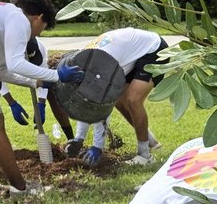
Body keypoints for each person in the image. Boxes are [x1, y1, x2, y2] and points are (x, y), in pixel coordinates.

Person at [0, 0, 84, 198]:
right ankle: (21, 188)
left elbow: (1, 71)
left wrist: (36, 81)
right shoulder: (19, 18)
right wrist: (57, 75)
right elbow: (16, 63)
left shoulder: (1, 20)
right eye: (42, 28)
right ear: (39, 18)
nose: (37, 34)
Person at [66, 27, 167, 166]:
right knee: (119, 101)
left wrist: (97, 147)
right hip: (131, 53)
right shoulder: (82, 62)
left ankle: (145, 156)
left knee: (133, 100)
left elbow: (100, 109)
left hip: (153, 49)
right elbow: (86, 103)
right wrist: (79, 138)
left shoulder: (99, 68)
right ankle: (151, 142)